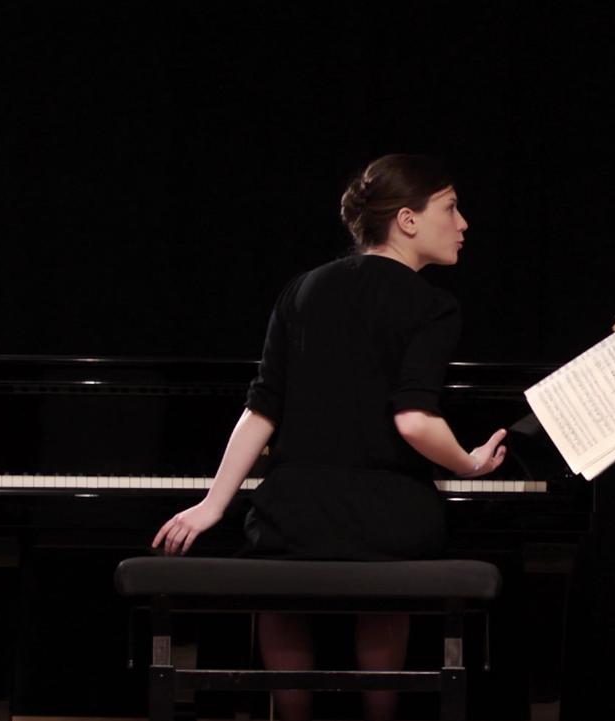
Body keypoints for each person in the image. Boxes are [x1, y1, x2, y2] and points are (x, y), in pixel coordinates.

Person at [151, 154, 508, 721]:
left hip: (293, 512)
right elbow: (413, 420)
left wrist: (213, 504)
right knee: (390, 567)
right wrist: (468, 463)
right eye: (450, 208)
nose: (463, 223)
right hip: (391, 515)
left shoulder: (301, 289)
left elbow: (260, 411)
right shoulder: (434, 305)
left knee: (279, 578)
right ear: (407, 220)